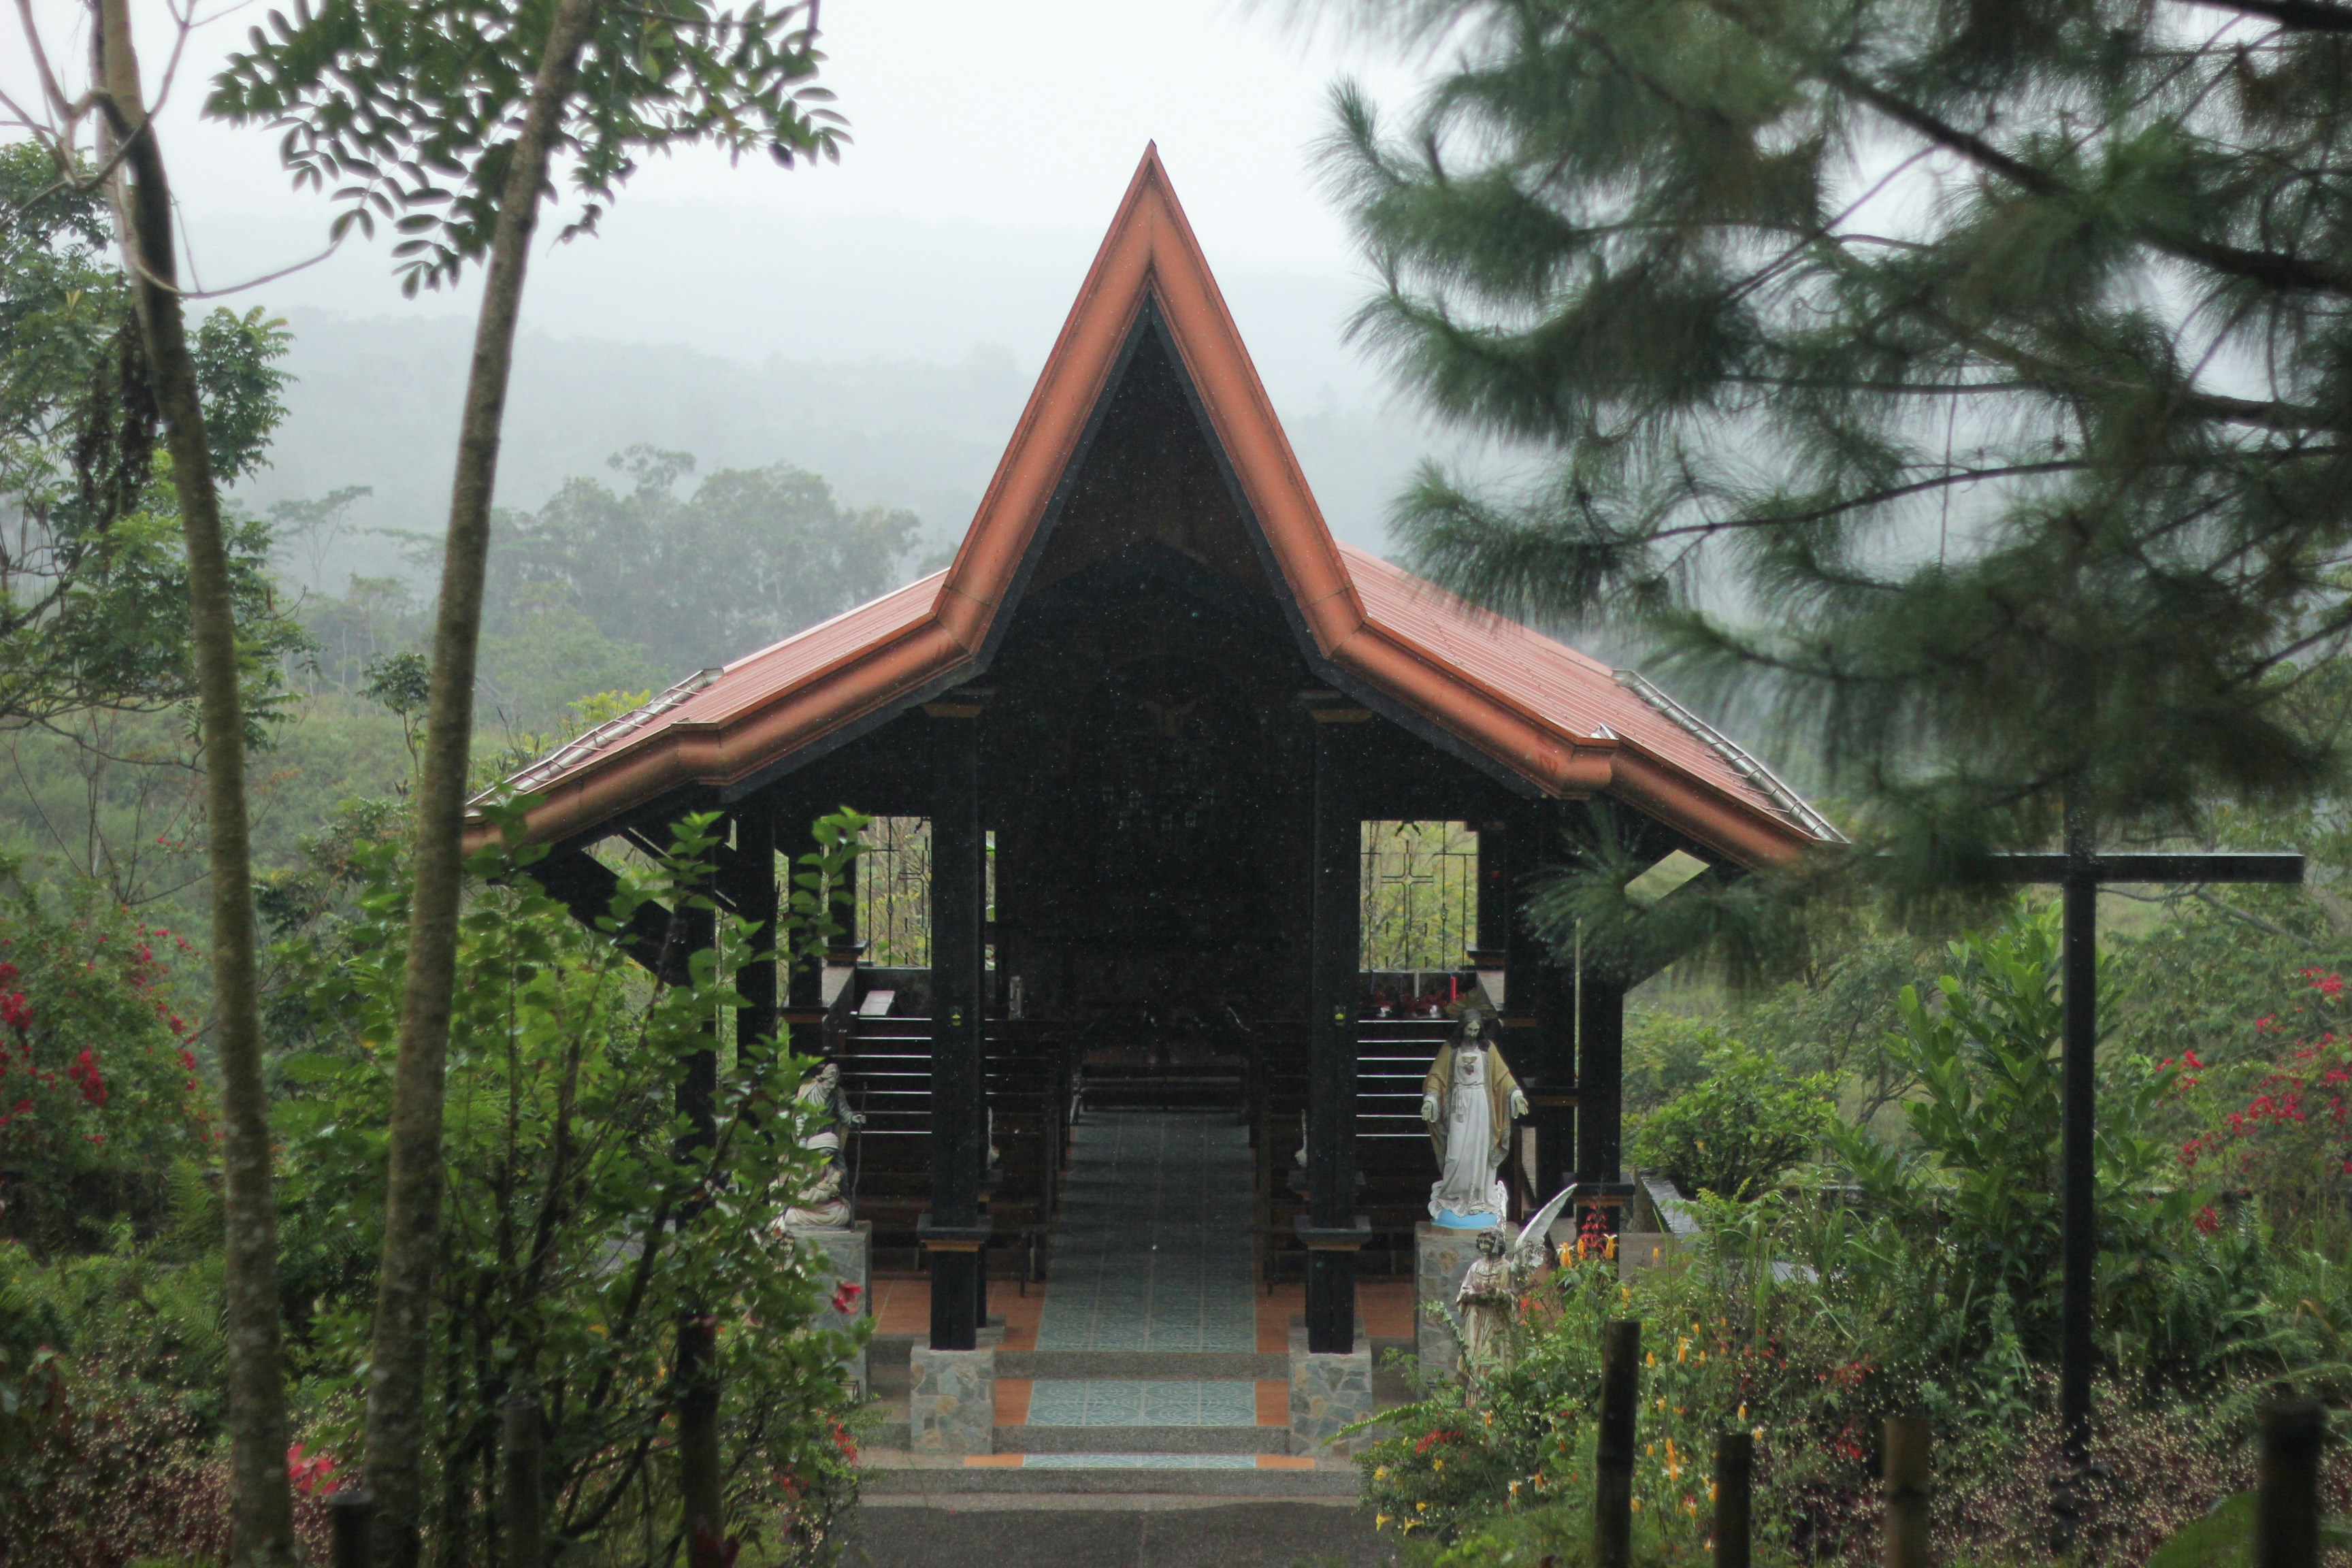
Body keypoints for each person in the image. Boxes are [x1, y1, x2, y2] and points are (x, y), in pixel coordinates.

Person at [1420, 1000, 1529, 1227]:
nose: (1472, 1033)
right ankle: (1453, 1196)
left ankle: (1478, 1197)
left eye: (1476, 1030)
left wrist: (1515, 1095)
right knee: (1457, 1155)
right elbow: (1436, 1077)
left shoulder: (1488, 1050)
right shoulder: (1450, 1050)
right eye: (1469, 1029)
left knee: (1479, 1154)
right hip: (1459, 1105)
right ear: (1462, 1028)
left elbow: (1503, 1077)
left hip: (1481, 1105)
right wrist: (1431, 1100)